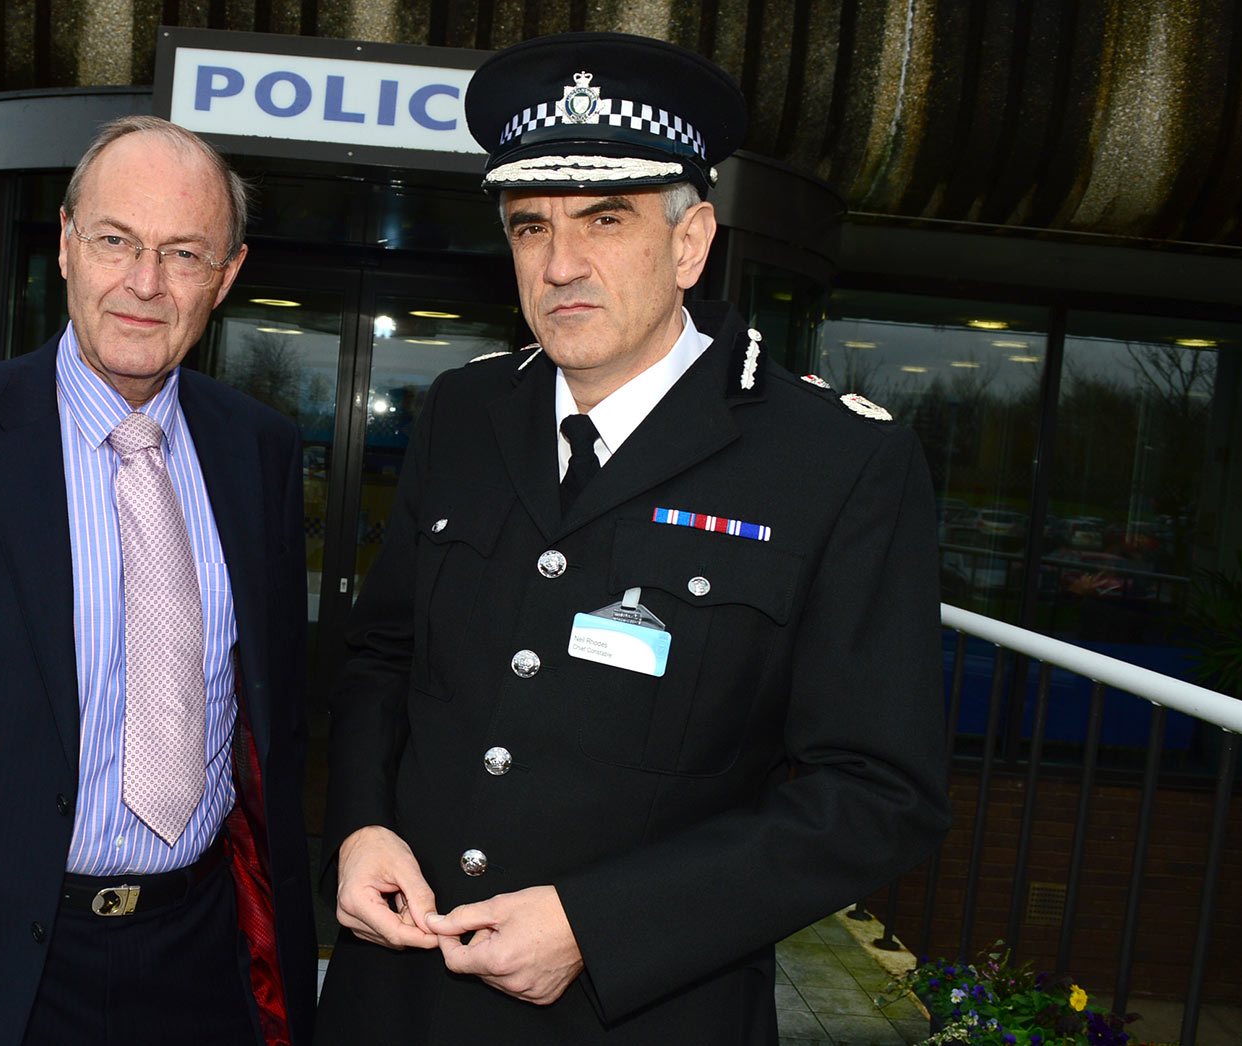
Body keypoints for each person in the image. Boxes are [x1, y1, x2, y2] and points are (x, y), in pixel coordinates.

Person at [316, 32, 950, 1045]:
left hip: (640, 1011)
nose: (561, 264)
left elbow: (877, 793)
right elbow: (384, 654)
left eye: (605, 221)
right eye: (531, 227)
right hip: (399, 998)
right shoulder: (463, 411)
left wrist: (599, 926)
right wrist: (359, 823)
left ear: (691, 242)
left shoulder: (836, 465)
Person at [0, 115, 316, 1046]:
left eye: (183, 253)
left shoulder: (258, 451)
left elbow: (270, 725)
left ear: (227, 275)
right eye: (116, 240)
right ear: (68, 244)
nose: (144, 284)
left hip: (203, 959)